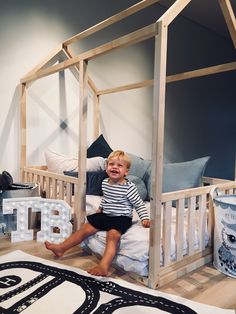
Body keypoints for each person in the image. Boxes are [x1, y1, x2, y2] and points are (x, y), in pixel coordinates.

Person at [45, 150, 150, 276]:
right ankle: (61, 248)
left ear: (126, 172)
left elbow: (138, 203)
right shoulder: (105, 183)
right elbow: (106, 198)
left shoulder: (129, 187)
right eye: (112, 164)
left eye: (119, 165)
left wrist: (144, 218)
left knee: (112, 237)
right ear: (106, 168)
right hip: (105, 214)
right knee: (85, 229)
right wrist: (100, 208)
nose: (115, 167)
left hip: (121, 218)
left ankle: (103, 266)